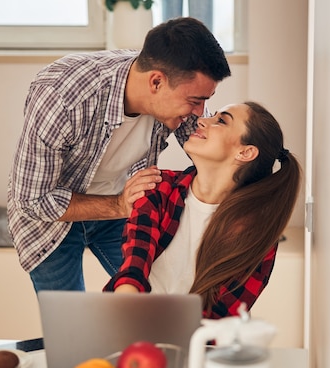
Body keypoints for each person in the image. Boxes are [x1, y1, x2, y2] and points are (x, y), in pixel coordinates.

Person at [7, 17, 231, 293]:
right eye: (195, 101)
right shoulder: (63, 97)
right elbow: (33, 200)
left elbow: (211, 156)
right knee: (69, 325)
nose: (200, 113)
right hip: (51, 218)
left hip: (120, 209)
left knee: (155, 301)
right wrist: (117, 205)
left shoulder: (175, 95)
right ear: (156, 82)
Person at [103, 102, 302, 319]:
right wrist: (126, 320)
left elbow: (222, 315)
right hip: (131, 321)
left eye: (221, 121)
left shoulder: (257, 233)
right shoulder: (158, 186)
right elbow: (133, 267)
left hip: (198, 344)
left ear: (245, 152)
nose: (201, 120)